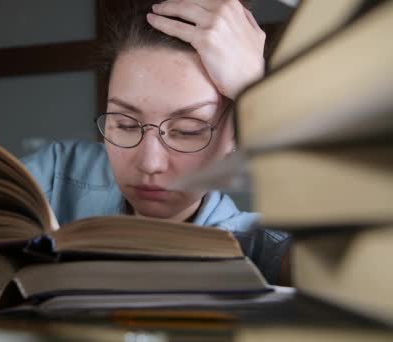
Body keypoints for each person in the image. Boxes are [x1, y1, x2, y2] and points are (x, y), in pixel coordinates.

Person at [22, 0, 290, 284]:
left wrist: (261, 99)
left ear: (236, 133)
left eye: (187, 131)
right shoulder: (57, 175)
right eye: (125, 124)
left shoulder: (260, 245)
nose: (150, 163)